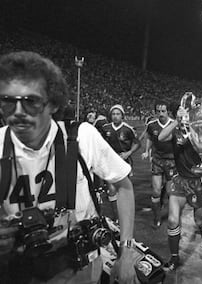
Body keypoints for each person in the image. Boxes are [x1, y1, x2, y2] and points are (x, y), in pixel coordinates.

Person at [0, 51, 138, 283]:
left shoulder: (82, 137)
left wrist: (126, 252)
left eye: (30, 102)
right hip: (16, 269)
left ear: (53, 102)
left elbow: (124, 187)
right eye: (7, 102)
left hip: (78, 269)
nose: (18, 112)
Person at [158, 105, 202, 271]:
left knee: (199, 220)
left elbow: (201, 147)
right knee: (173, 220)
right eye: (182, 113)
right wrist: (176, 121)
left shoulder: (200, 130)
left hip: (197, 182)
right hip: (179, 180)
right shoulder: (175, 131)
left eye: (187, 114)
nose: (185, 116)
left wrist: (190, 127)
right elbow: (161, 137)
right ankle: (175, 257)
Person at [141, 101, 176, 228]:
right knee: (155, 191)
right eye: (158, 111)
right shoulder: (151, 125)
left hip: (171, 161)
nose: (161, 114)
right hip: (157, 160)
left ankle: (164, 201)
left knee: (169, 191)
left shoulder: (173, 125)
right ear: (155, 112)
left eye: (163, 111)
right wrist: (147, 151)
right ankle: (157, 217)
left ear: (168, 112)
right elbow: (150, 138)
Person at [102, 104, 140, 221]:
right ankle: (116, 217)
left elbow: (137, 143)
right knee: (112, 189)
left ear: (122, 115)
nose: (115, 116)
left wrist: (128, 153)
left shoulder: (128, 129)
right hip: (110, 162)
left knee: (123, 189)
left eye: (118, 114)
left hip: (124, 162)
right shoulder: (105, 128)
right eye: (113, 114)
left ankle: (124, 213)